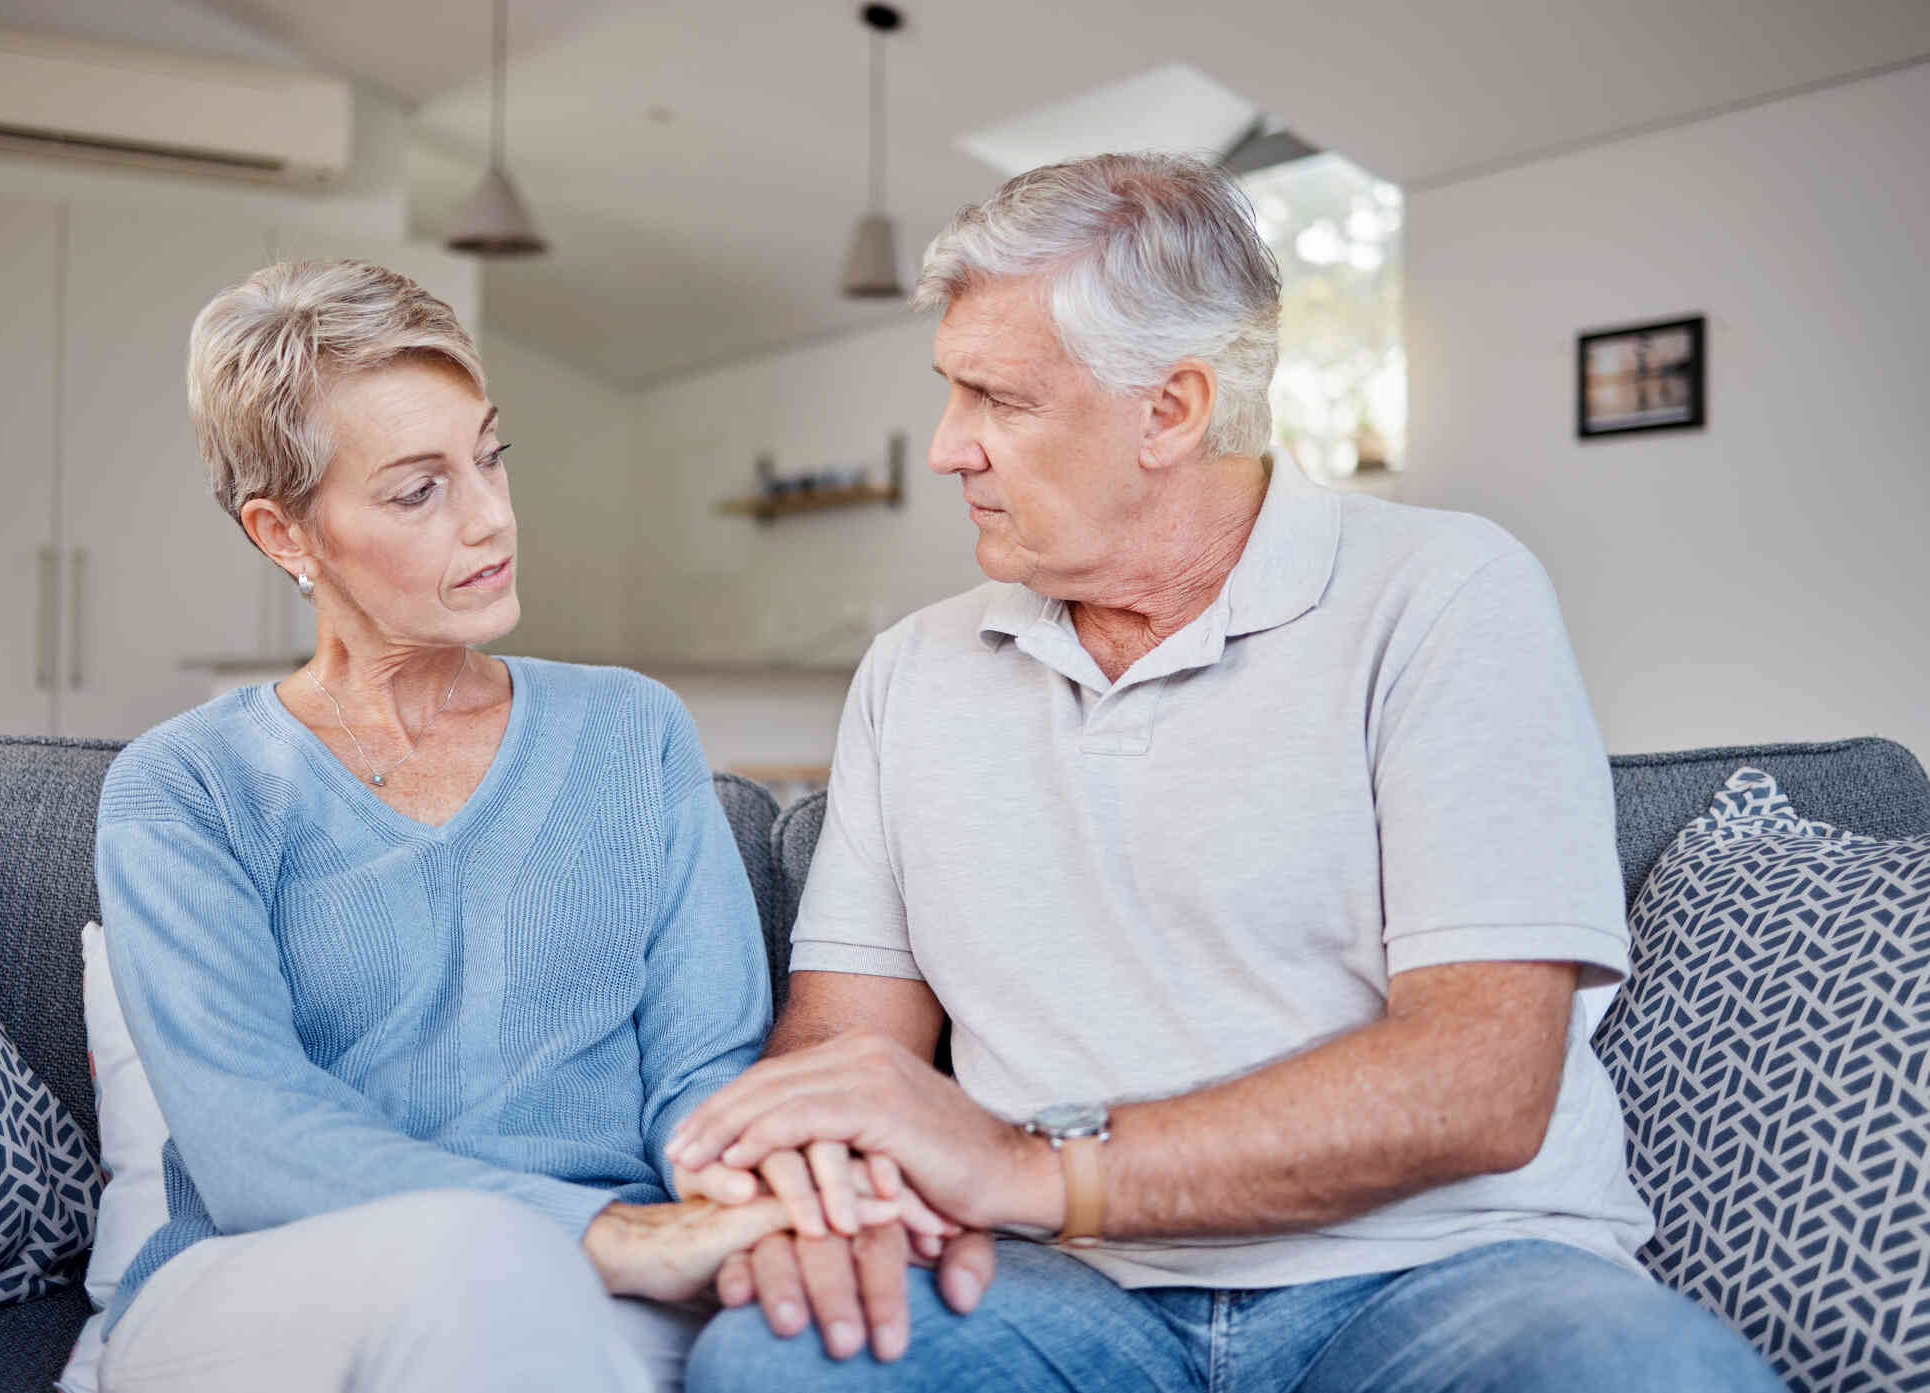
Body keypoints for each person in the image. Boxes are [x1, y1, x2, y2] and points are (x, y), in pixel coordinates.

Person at [671, 154, 1787, 1391]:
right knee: (778, 1363)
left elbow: (1482, 1078)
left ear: (1171, 410)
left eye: (998, 399)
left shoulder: (1446, 593)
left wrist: (1036, 1165)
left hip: (1444, 1272)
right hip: (1052, 1285)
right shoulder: (912, 671)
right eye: (951, 390)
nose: (948, 449)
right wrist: (829, 1177)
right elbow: (843, 1034)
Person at [91, 260, 927, 1393]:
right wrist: (600, 1235)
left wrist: (773, 1201)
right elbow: (253, 1145)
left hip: (600, 1286)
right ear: (285, 533)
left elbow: (703, 1069)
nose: (490, 517)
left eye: (489, 456)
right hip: (272, 1289)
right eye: (416, 490)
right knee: (481, 1259)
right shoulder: (187, 788)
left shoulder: (631, 731)